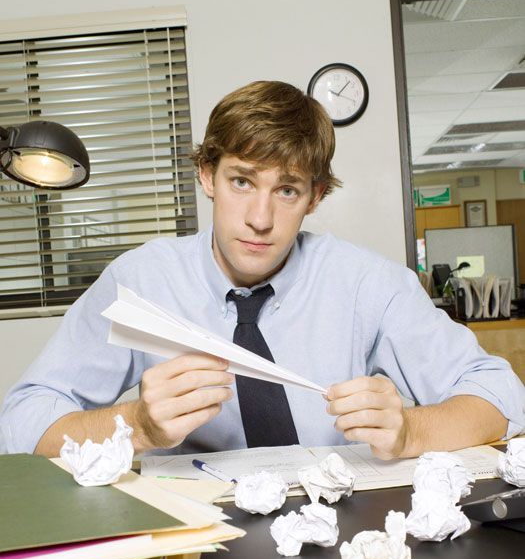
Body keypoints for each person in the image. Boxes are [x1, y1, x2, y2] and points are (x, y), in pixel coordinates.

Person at [1, 80, 523, 459]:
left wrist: (411, 431)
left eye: (288, 190)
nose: (259, 219)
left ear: (315, 198)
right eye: (242, 182)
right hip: (193, 546)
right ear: (207, 176)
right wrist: (135, 425)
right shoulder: (138, 280)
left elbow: (503, 398)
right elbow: (19, 425)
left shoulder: (369, 284)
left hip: (338, 535)